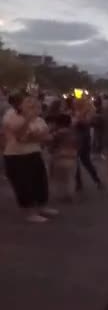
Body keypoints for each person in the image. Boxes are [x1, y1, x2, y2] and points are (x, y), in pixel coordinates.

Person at [2, 93, 57, 223]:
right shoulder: (11, 116)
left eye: (34, 102)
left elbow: (46, 137)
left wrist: (35, 136)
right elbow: (21, 137)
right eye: (28, 102)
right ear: (19, 105)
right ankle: (29, 212)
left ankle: (42, 206)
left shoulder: (38, 119)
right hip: (16, 155)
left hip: (34, 152)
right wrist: (27, 121)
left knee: (40, 181)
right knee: (24, 184)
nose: (33, 105)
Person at [73, 99, 103, 192]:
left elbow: (87, 123)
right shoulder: (74, 112)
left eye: (76, 103)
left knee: (84, 161)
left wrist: (80, 116)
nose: (75, 104)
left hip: (83, 139)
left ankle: (95, 180)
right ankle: (80, 183)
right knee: (80, 162)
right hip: (76, 139)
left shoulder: (86, 113)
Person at [48, 113, 79, 203]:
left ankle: (62, 195)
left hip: (59, 157)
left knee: (59, 178)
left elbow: (51, 144)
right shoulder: (74, 132)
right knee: (70, 178)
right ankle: (70, 195)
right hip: (72, 156)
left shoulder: (57, 134)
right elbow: (78, 144)